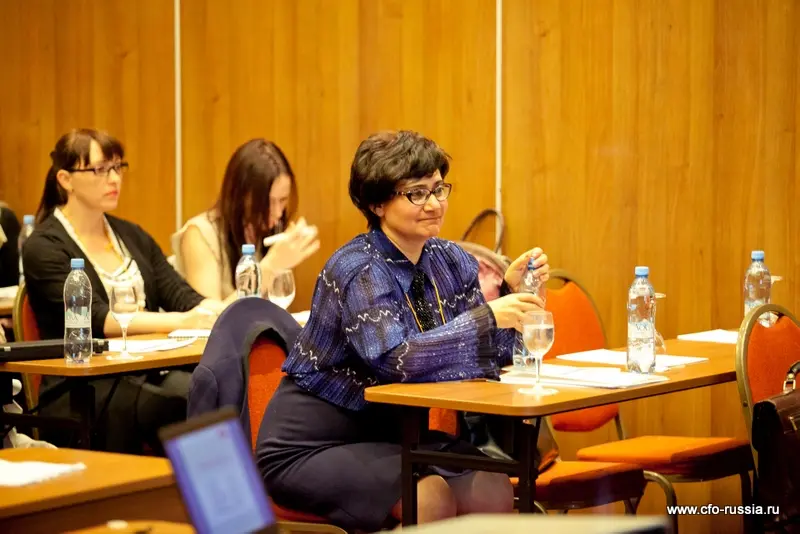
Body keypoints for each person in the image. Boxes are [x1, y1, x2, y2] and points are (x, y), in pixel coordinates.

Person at [256, 130, 550, 531]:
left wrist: (513, 296)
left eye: (439, 189)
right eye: (416, 193)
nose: (434, 204)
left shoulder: (451, 261)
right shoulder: (358, 269)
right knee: (428, 497)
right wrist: (486, 317)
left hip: (394, 433)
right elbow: (395, 361)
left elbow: (490, 356)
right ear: (377, 203)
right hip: (313, 443)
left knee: (492, 489)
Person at [22, 128, 223, 452]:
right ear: (66, 179)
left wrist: (224, 311)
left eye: (118, 167)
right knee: (183, 398)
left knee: (216, 385)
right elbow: (99, 319)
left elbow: (183, 297)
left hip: (144, 369)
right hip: (82, 386)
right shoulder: (43, 246)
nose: (114, 179)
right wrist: (183, 321)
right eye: (101, 169)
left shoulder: (132, 236)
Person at [172, 138, 320, 301]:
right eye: (267, 202)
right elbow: (210, 315)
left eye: (283, 200)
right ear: (240, 196)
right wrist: (271, 265)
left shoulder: (267, 231)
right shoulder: (199, 234)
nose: (278, 212)